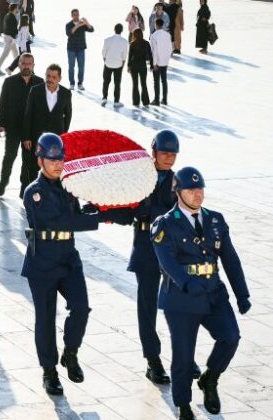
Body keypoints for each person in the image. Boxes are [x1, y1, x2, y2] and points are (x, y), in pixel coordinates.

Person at [21, 133, 126, 396]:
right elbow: (60, 222)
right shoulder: (34, 193)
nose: (58, 164)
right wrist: (99, 220)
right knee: (45, 319)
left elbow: (76, 215)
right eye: (52, 159)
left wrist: (105, 210)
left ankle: (70, 352)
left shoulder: (69, 187)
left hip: (68, 257)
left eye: (61, 159)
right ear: (40, 161)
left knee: (81, 307)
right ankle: (49, 372)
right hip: (43, 260)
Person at [151, 167, 250, 420]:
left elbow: (230, 258)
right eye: (191, 189)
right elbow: (167, 262)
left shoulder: (215, 220)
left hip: (213, 292)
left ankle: (210, 379)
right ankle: (183, 404)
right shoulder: (165, 224)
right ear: (178, 192)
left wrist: (242, 293)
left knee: (231, 337)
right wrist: (186, 282)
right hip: (181, 298)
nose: (197, 194)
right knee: (184, 355)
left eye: (200, 189)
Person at [127, 130, 186, 385]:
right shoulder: (140, 177)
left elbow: (180, 214)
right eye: (165, 153)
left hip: (169, 249)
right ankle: (153, 360)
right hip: (145, 246)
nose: (169, 158)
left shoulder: (178, 182)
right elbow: (131, 207)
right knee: (147, 305)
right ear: (154, 153)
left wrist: (150, 211)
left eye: (173, 154)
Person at [0, 53, 42, 197]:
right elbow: (2, 103)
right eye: (23, 63)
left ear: (33, 65)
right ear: (19, 64)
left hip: (32, 129)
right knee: (9, 156)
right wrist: (0, 123)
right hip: (13, 127)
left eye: (29, 63)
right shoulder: (9, 82)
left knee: (29, 159)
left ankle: (25, 187)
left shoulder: (40, 82)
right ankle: (3, 182)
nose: (26, 66)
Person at [22, 64, 72, 194]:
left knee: (53, 167)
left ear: (59, 78)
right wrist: (26, 136)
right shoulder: (35, 90)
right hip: (36, 137)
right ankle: (31, 194)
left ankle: (52, 194)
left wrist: (63, 137)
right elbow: (28, 115)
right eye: (48, 76)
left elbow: (68, 116)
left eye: (53, 77)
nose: (50, 79)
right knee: (33, 166)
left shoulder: (66, 94)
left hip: (56, 139)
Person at [65, 9, 94, 90]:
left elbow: (92, 30)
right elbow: (69, 33)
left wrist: (86, 22)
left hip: (81, 48)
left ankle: (80, 83)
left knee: (81, 67)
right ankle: (71, 83)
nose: (76, 16)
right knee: (71, 67)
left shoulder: (83, 24)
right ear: (72, 15)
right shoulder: (69, 24)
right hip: (71, 49)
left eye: (77, 14)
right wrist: (77, 25)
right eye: (74, 14)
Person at [102, 23, 128, 107]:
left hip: (108, 63)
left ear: (114, 29)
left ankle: (104, 98)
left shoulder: (107, 40)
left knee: (106, 82)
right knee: (117, 83)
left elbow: (103, 52)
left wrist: (105, 60)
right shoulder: (124, 41)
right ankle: (116, 101)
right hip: (118, 64)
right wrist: (122, 65)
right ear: (122, 30)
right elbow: (124, 55)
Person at [127, 28, 153, 107]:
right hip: (142, 65)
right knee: (143, 84)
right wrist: (151, 65)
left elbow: (130, 56)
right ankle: (145, 102)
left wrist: (128, 66)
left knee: (135, 84)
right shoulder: (146, 43)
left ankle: (136, 102)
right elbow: (150, 56)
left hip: (134, 66)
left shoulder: (132, 44)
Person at [150, 18, 173, 106]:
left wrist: (154, 63)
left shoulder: (153, 36)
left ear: (156, 25)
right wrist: (167, 59)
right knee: (164, 81)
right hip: (165, 61)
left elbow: (154, 51)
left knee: (156, 81)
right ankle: (164, 99)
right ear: (162, 25)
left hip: (157, 62)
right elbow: (170, 49)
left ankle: (156, 100)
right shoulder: (168, 35)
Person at [0, 4, 19, 76]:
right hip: (10, 38)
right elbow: (12, 29)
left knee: (16, 54)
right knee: (5, 54)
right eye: (17, 8)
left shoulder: (7, 15)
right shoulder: (11, 17)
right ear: (14, 9)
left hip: (8, 37)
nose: (18, 9)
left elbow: (5, 27)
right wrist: (13, 38)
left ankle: (16, 69)